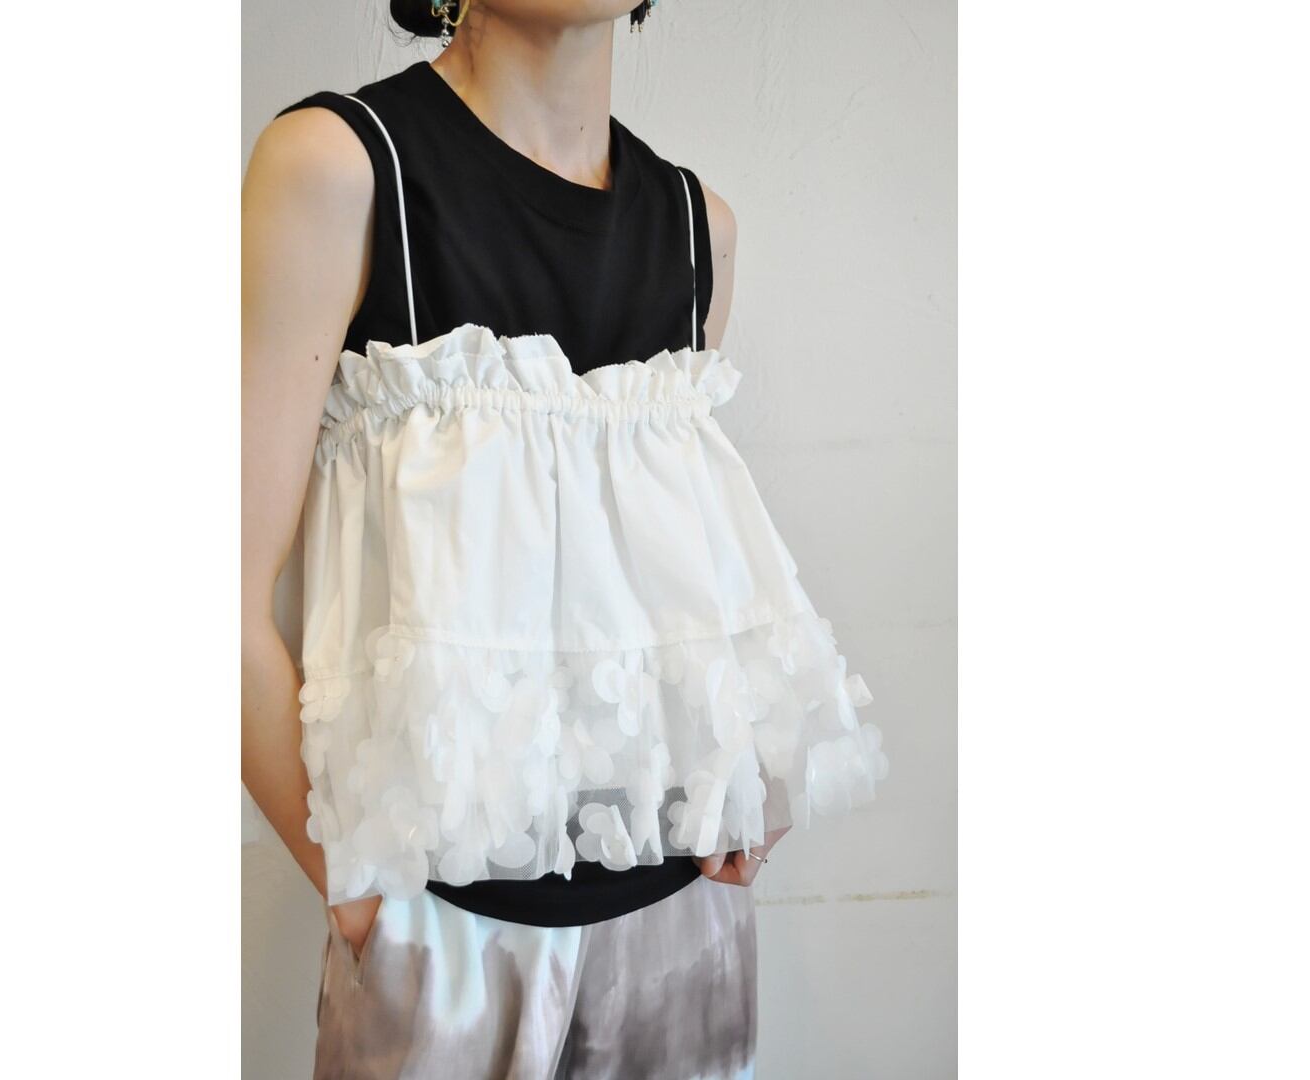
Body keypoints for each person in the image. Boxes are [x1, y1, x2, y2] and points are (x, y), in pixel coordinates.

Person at [241, 2, 887, 1076]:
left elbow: (667, 570)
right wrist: (359, 897)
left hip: (685, 922)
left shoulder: (700, 228)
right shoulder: (345, 167)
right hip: (446, 936)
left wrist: (741, 778)